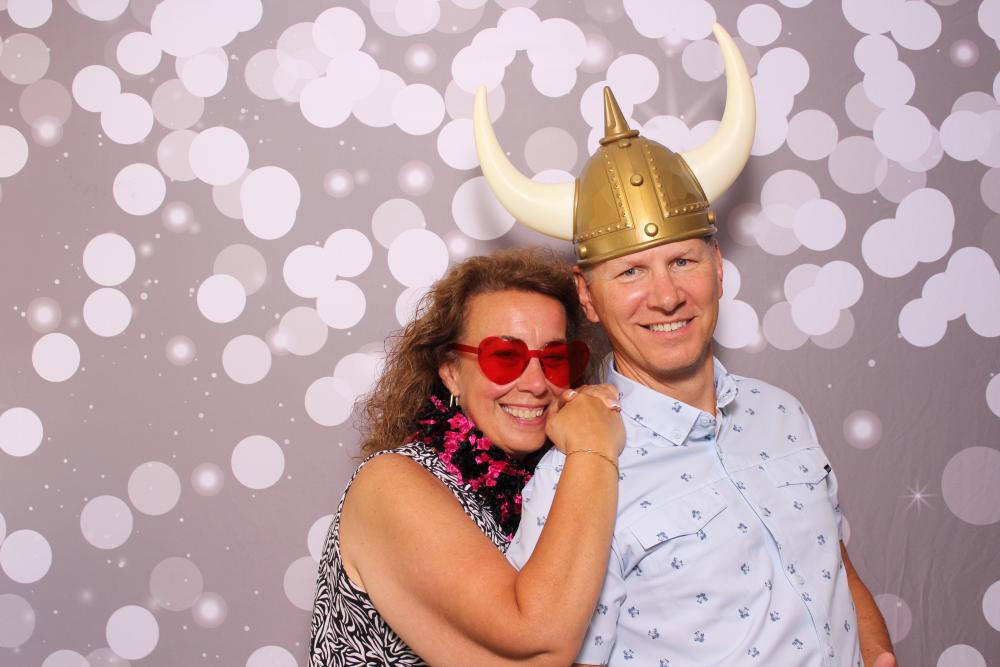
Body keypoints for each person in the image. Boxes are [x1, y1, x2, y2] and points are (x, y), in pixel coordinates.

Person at [473, 22, 896, 667]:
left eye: (682, 261)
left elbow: (829, 563)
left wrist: (878, 650)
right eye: (630, 273)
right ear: (588, 297)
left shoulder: (782, 413)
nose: (666, 296)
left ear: (718, 267)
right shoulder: (573, 482)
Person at [309, 248, 626, 666]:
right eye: (505, 357)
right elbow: (540, 644)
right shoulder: (390, 484)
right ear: (451, 370)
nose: (536, 384)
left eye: (554, 359)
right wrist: (593, 446)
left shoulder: (551, 482)